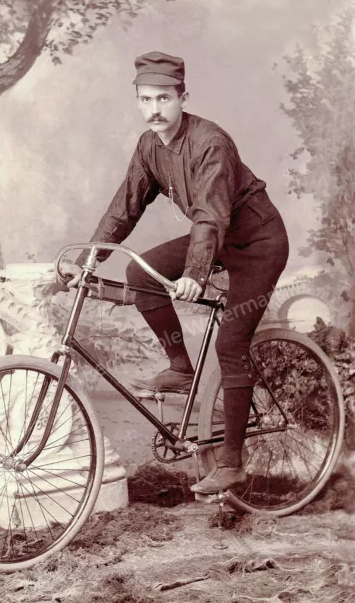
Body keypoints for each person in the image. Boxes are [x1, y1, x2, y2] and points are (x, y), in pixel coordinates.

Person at [61, 51, 289, 493]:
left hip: (257, 243)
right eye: (145, 99)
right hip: (217, 238)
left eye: (163, 98)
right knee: (142, 276)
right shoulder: (150, 145)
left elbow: (210, 216)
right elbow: (125, 205)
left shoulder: (212, 143)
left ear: (183, 97)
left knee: (231, 343)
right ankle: (180, 367)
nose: (154, 110)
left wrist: (195, 273)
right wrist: (89, 259)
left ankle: (232, 462)